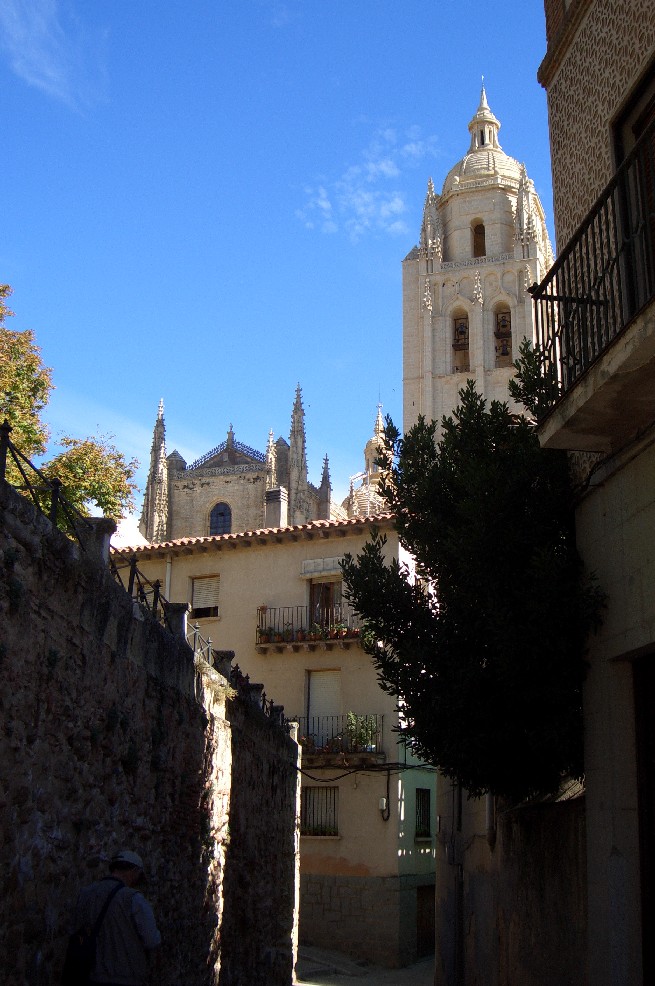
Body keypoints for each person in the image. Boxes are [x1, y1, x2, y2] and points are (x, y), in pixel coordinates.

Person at [72, 849, 161, 986]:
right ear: (133, 871)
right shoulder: (133, 899)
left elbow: (77, 928)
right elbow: (151, 940)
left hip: (89, 974)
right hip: (125, 976)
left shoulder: (86, 893)